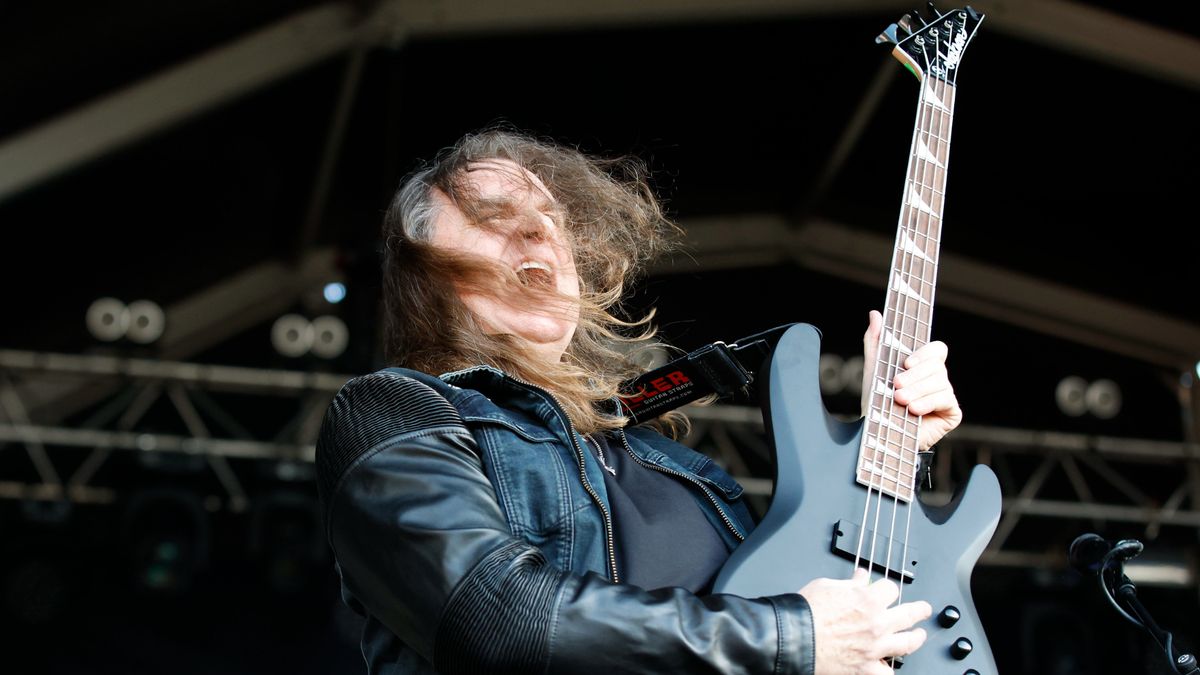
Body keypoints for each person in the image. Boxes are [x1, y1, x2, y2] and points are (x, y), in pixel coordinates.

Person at [315, 128, 963, 674]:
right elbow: (498, 617)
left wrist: (897, 441)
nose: (538, 231)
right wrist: (789, 637)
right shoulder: (394, 412)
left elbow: (838, 608)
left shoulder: (684, 472)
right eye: (495, 217)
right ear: (429, 275)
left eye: (550, 221)